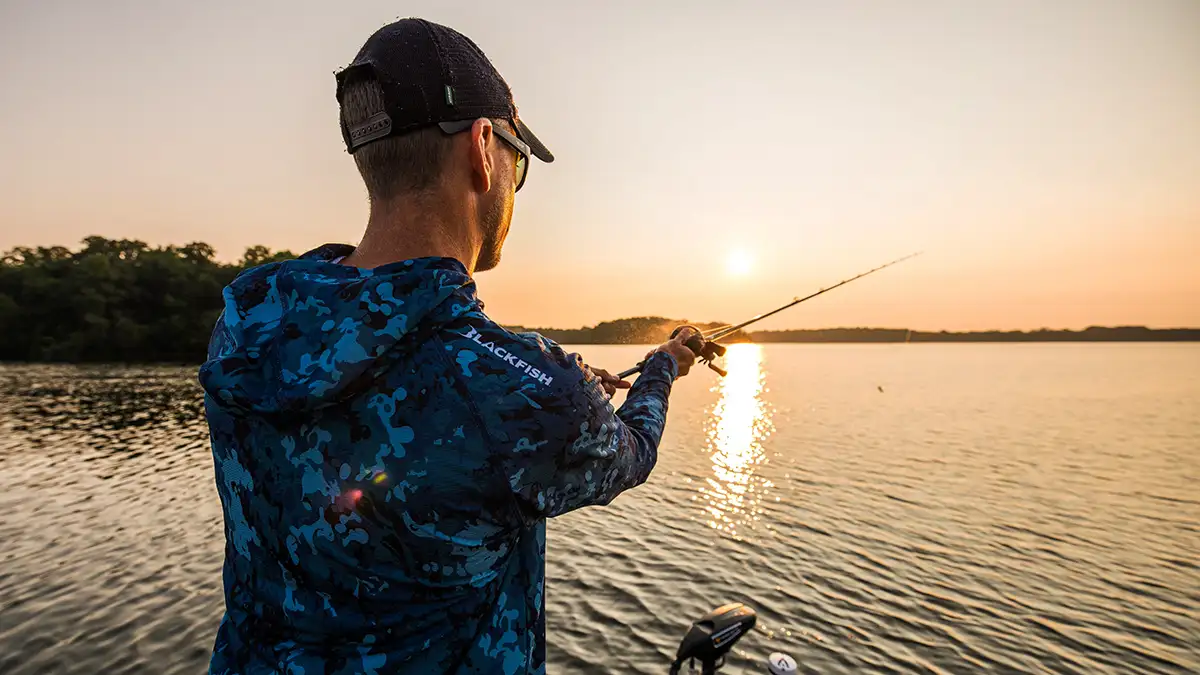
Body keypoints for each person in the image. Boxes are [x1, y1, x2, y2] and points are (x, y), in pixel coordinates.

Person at [198, 17, 699, 675]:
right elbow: (628, 453)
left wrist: (558, 379)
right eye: (518, 164)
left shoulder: (247, 323)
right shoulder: (523, 393)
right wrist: (663, 365)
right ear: (483, 148)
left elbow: (427, 367)